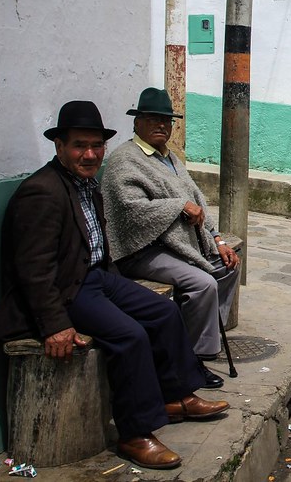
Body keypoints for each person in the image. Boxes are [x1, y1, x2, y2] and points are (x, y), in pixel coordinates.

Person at [0, 100, 229, 470]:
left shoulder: (85, 184)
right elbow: (32, 270)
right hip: (67, 290)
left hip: (98, 277)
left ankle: (176, 394)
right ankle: (135, 433)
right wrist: (54, 325)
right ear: (60, 147)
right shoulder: (42, 191)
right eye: (80, 146)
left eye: (96, 146)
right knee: (130, 335)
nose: (90, 154)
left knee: (163, 311)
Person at [101, 88, 240, 390]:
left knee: (229, 265)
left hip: (179, 243)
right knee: (202, 283)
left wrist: (218, 240)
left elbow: (197, 199)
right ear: (137, 122)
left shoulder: (170, 158)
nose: (161, 125)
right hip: (141, 249)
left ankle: (199, 336)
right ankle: (191, 361)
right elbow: (129, 210)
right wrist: (176, 207)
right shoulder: (124, 160)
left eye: (166, 120)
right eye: (152, 119)